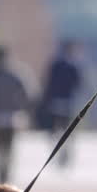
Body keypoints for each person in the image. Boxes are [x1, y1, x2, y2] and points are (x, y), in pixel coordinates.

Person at [0, 46, 33, 184]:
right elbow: (28, 94)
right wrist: (22, 109)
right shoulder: (15, 75)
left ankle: (1, 173)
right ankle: (6, 173)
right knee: (8, 148)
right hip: (11, 117)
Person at [37, 40, 85, 170]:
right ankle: (66, 153)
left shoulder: (55, 65)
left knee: (56, 129)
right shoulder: (74, 66)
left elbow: (47, 84)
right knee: (68, 129)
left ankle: (58, 152)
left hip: (55, 102)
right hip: (68, 102)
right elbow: (79, 84)